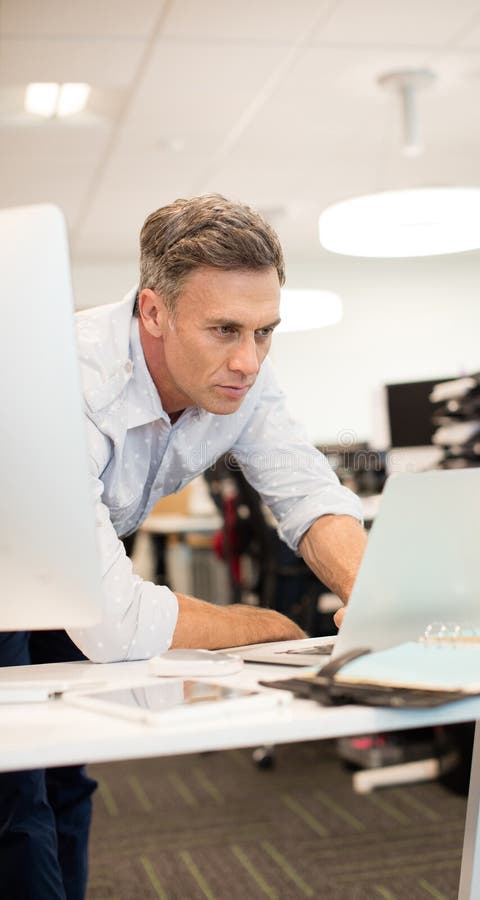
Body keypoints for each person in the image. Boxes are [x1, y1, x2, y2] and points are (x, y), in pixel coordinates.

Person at [0, 194, 367, 899]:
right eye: (225, 329)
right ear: (153, 312)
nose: (249, 359)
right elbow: (117, 626)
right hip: (4, 557)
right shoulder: (65, 380)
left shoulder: (243, 374)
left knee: (66, 772)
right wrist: (269, 630)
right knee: (13, 796)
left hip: (66, 559)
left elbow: (309, 494)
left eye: (265, 331)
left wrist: (378, 594)